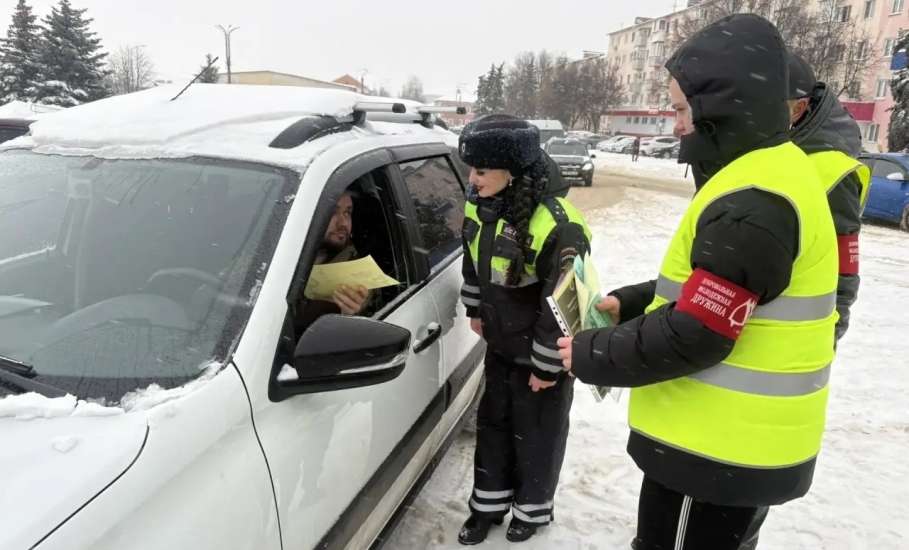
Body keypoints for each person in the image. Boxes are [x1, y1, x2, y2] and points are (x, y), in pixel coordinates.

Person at [556, 14, 839, 550]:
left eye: (684, 108)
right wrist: (635, 302)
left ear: (724, 106)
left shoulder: (753, 203)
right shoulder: (770, 171)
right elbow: (721, 285)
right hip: (732, 447)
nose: (676, 122)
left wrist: (593, 353)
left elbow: (698, 332)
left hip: (716, 452)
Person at [456, 114, 592, 545]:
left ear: (512, 171)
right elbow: (473, 262)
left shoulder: (558, 222)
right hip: (501, 345)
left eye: (481, 170)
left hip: (542, 353)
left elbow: (565, 302)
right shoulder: (480, 207)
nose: (472, 180)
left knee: (538, 435)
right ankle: (487, 506)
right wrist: (475, 309)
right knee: (493, 426)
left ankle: (531, 510)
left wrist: (547, 366)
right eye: (471, 169)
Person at [787, 52, 870, 342]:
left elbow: (844, 266)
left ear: (797, 109)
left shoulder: (832, 169)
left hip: (799, 337)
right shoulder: (780, 152)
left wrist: (828, 335)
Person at [295, 189, 370, 335]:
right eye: (332, 212)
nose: (343, 223)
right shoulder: (278, 258)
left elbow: (372, 309)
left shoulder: (356, 270)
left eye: (347, 213)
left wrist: (352, 314)